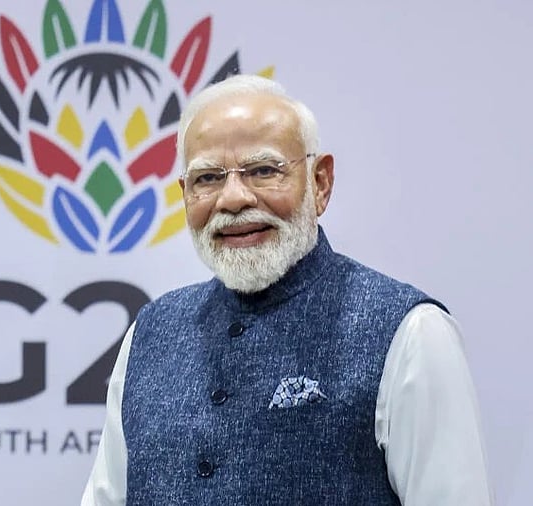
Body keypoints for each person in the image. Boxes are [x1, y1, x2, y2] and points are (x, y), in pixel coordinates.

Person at [81, 75, 492, 505]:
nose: (233, 198)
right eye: (208, 178)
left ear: (320, 182)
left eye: (263, 170)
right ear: (185, 195)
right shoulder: (149, 334)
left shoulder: (411, 333)